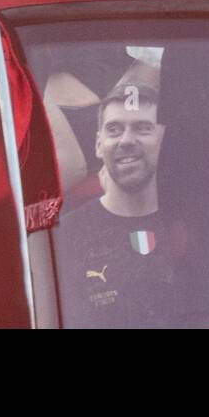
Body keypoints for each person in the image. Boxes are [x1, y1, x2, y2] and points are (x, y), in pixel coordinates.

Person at [57, 86, 178, 328]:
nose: (126, 141)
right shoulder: (65, 237)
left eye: (142, 128)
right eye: (114, 130)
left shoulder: (191, 224)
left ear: (163, 140)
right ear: (98, 144)